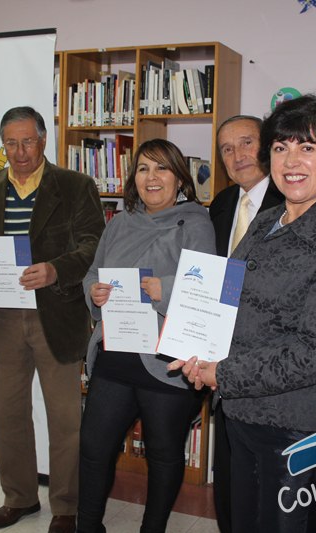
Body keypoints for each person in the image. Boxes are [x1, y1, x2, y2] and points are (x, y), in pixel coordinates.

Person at [171, 94, 316, 532]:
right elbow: (227, 300)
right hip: (243, 415)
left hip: (295, 430)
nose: (291, 160)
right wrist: (197, 349)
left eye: (308, 147)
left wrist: (222, 373)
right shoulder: (267, 221)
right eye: (281, 147)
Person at [0, 106, 105, 533]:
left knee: (65, 421)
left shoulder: (75, 185)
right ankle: (19, 497)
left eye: (28, 141)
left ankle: (66, 506)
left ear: (43, 140)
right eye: (11, 142)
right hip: (2, 316)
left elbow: (94, 245)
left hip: (55, 316)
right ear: (2, 144)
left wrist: (56, 270)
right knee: (5, 417)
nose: (20, 151)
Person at [78, 139, 216, 533]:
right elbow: (93, 273)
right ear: (133, 178)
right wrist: (94, 291)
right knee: (93, 447)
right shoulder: (119, 223)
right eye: (143, 169)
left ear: (179, 179)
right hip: (116, 353)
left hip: (165, 361)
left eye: (161, 168)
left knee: (163, 453)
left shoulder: (196, 223)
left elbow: (206, 289)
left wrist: (164, 289)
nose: (151, 177)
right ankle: (87, 527)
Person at [207, 114, 284, 533]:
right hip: (221, 352)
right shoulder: (220, 204)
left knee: (265, 482)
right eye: (226, 149)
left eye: (247, 143)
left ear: (268, 145)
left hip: (269, 358)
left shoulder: (292, 201)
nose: (237, 155)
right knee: (228, 467)